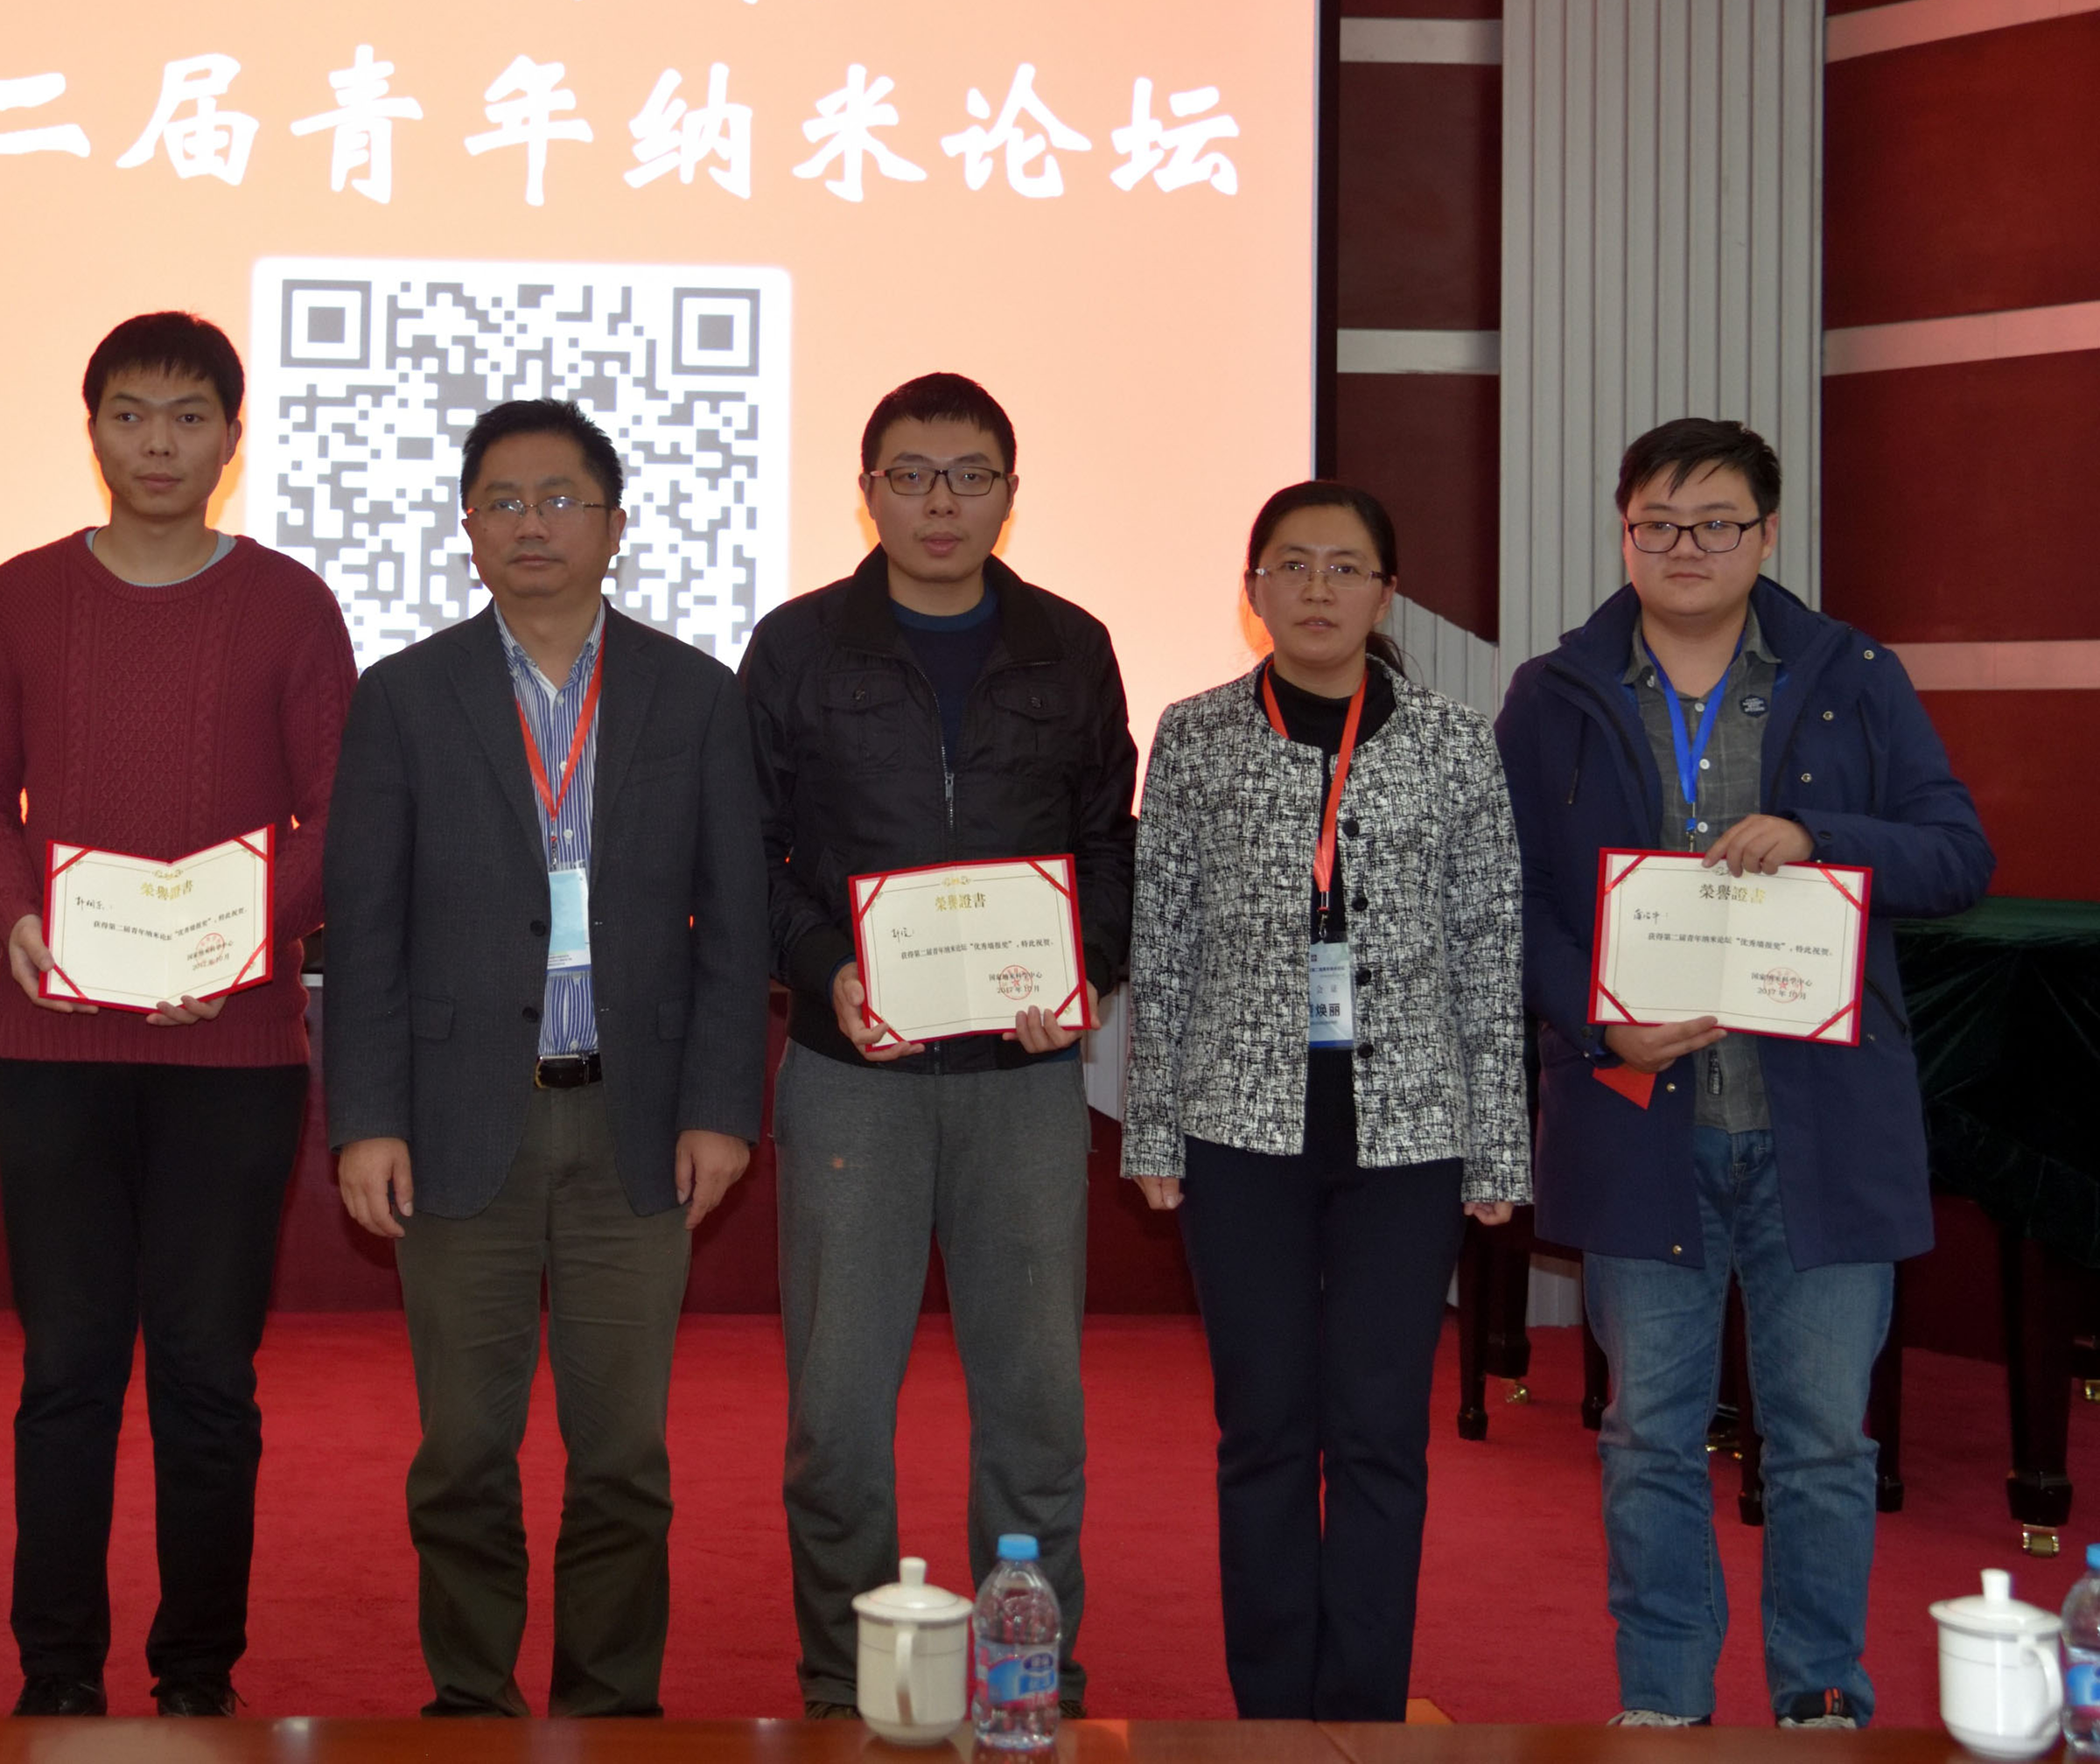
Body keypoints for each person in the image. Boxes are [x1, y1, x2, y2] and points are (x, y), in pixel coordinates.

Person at [1496, 417, 1992, 1729]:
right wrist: (1600, 1025)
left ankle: (1820, 1697)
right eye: (1657, 524)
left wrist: (1823, 835)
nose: (1686, 547)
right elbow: (1514, 904)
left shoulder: (1853, 675)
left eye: (1716, 522)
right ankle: (1663, 1703)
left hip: (1823, 1127)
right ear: (1624, 535)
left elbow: (1959, 855)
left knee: (1824, 1439)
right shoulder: (1555, 692)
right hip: (1639, 1118)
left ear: (1768, 534)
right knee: (1647, 1435)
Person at [326, 398, 765, 1718]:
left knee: (622, 1454)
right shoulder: (405, 696)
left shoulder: (697, 694)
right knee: (464, 1450)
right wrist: (366, 1117)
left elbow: (738, 923)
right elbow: (366, 928)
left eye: (561, 499)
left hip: (638, 1119)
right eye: (503, 502)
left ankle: (609, 1709)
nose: (533, 524)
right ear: (467, 528)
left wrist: (722, 1107)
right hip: (463, 1119)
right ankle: (471, 1703)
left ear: (615, 525)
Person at [0, 312, 356, 1717]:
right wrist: (13, 918)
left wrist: (244, 940)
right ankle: (56, 1674)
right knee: (64, 1369)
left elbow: (338, 811)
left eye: (189, 417)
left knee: (205, 1371)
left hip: (233, 1049)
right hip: (53, 1040)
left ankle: (196, 1675)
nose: (159, 443)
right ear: (93, 429)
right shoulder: (15, 596)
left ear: (233, 437)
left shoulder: (292, 604)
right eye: (131, 413)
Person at [736, 371, 1135, 1719]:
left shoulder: (1071, 646)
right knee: (837, 1414)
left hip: (1023, 1080)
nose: (941, 502)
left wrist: (1086, 970)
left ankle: (1034, 1678)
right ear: (868, 494)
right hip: (857, 1075)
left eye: (970, 475)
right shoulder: (797, 647)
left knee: (1036, 1407)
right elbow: (754, 853)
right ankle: (845, 1687)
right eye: (910, 475)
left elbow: (1110, 843)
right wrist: (825, 969)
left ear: (1011, 493)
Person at [1121, 480, 1526, 1720]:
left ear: (1386, 593)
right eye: (1289, 565)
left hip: (1410, 1133)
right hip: (1237, 1131)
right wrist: (1151, 1125)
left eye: (1345, 567)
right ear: (1251, 589)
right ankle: (1269, 1714)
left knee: (1379, 1430)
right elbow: (1165, 940)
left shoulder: (1453, 741)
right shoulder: (1195, 735)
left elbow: (1489, 947)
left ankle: (1360, 1712)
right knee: (1262, 1429)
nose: (1315, 589)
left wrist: (1498, 1149)